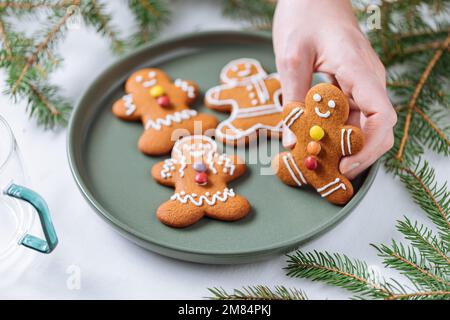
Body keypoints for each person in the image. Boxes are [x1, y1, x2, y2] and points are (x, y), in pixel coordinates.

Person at [273, 0, 397, 179]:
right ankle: (294, 167)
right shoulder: (301, 118)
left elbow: (348, 139)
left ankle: (327, 182)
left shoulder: (339, 134)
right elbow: (293, 115)